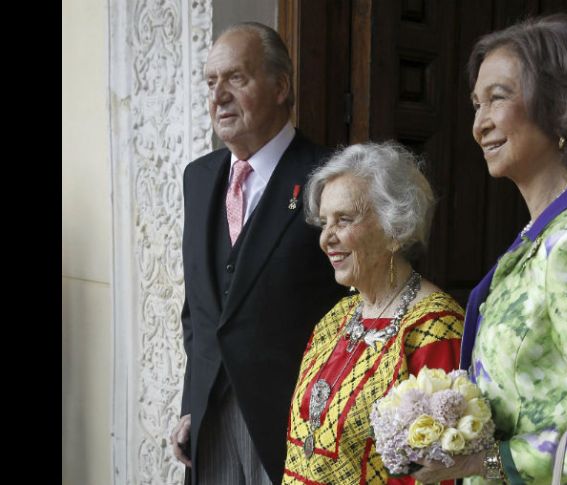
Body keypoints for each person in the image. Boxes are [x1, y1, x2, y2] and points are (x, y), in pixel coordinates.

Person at [411, 14, 567, 484]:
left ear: (562, 106)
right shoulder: (551, 230)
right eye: (476, 103)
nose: (479, 124)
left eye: (498, 98)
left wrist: (486, 461)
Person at [169, 22, 346, 485]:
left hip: (296, 427)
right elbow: (201, 314)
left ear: (281, 86)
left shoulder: (330, 177)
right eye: (211, 82)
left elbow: (352, 308)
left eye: (236, 78)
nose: (218, 95)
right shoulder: (199, 178)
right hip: (211, 427)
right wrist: (193, 404)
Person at [281, 142, 465, 485]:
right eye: (324, 222)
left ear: (394, 229)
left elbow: (438, 472)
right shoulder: (335, 319)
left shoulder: (434, 327)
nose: (326, 239)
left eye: (344, 220)